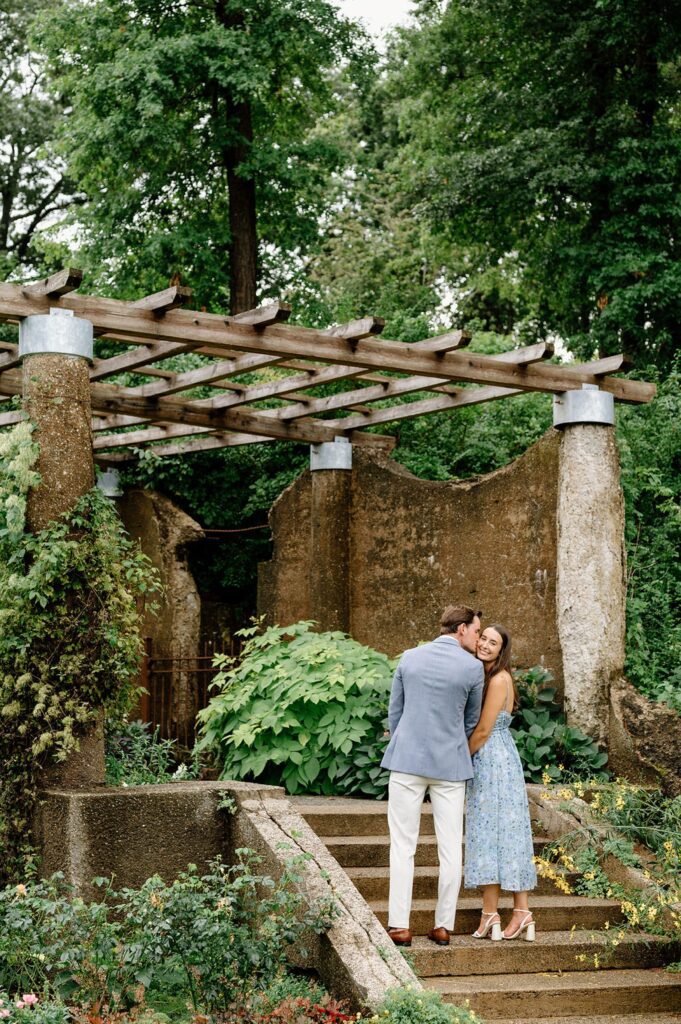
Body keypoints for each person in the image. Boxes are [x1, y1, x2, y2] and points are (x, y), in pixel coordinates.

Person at [380, 605, 484, 948]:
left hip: (407, 761)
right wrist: (453, 744)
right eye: (476, 631)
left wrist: (406, 742)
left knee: (402, 845)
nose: (478, 638)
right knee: (451, 847)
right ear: (461, 629)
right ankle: (443, 926)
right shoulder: (472, 668)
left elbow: (396, 711)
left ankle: (399, 926)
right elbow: (471, 721)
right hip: (450, 765)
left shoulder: (409, 657)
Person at [464, 623, 537, 941]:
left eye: (493, 643)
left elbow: (482, 730)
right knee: (497, 834)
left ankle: (502, 913)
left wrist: (460, 758)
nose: (485, 645)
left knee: (491, 833)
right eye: (483, 639)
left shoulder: (498, 679)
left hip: (492, 759)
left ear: (502, 649)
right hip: (500, 758)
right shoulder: (489, 675)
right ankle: (506, 912)